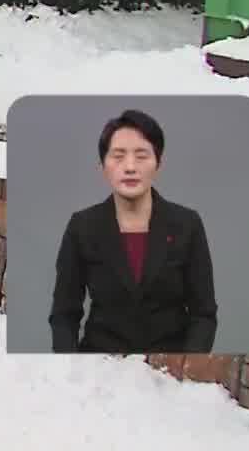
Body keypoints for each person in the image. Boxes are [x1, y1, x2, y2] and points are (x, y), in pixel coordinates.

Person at [50, 109, 217, 354]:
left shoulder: (186, 225)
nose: (130, 167)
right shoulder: (83, 227)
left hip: (168, 373)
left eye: (141, 156)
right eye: (118, 156)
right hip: (101, 365)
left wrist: (187, 369)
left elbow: (204, 314)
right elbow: (64, 314)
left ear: (158, 164)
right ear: (103, 167)